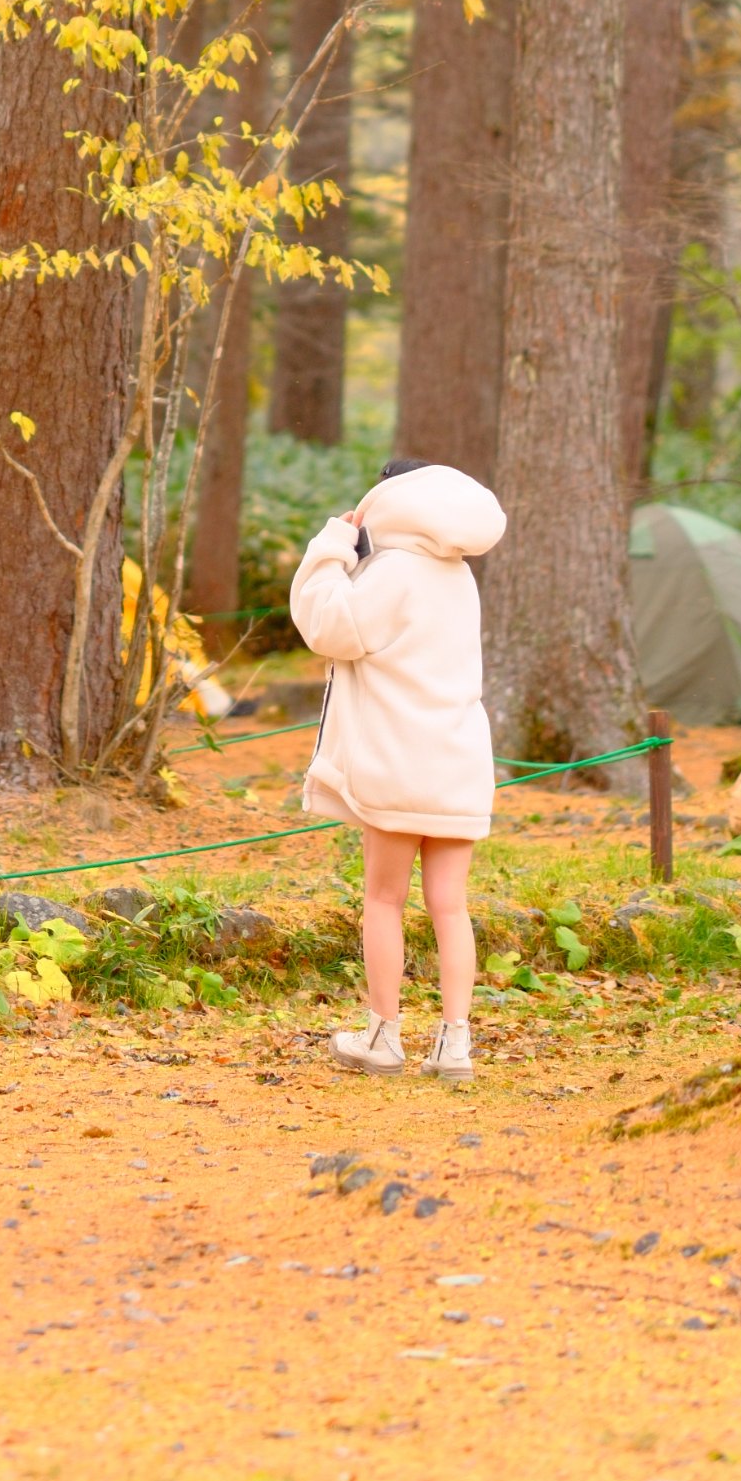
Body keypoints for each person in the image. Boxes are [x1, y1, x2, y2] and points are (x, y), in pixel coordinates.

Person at [289, 454, 506, 1081]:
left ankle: (384, 1036)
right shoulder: (459, 576)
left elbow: (330, 627)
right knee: (450, 905)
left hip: (397, 758)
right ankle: (456, 1043)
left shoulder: (394, 574)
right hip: (460, 757)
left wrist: (333, 544)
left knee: (384, 899)